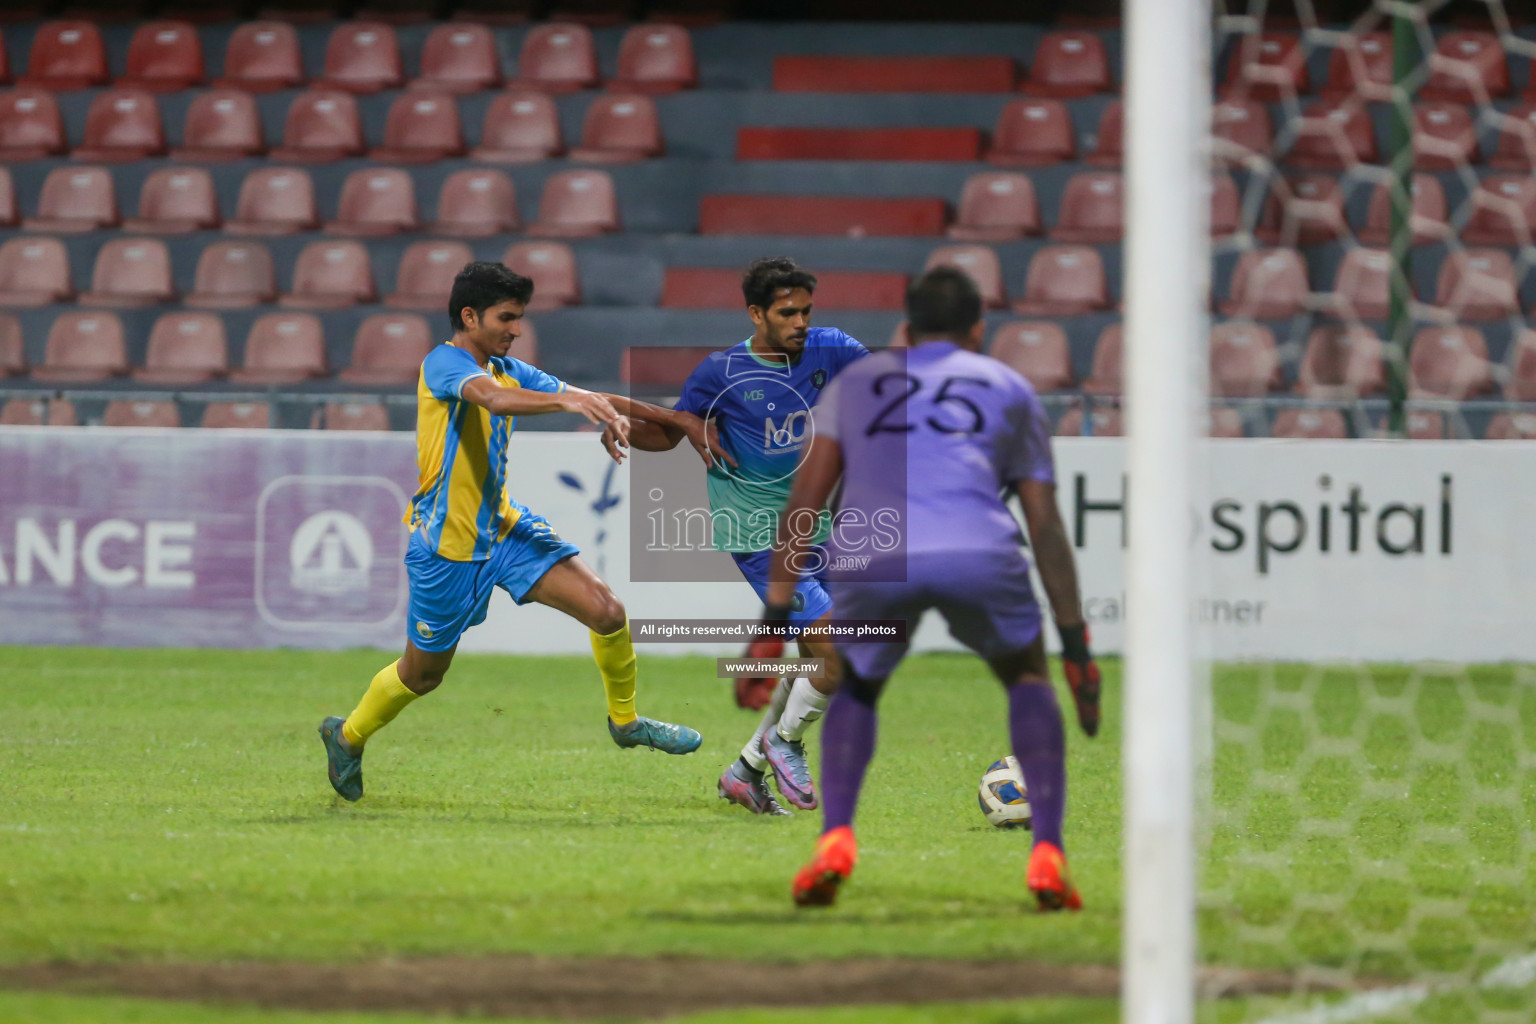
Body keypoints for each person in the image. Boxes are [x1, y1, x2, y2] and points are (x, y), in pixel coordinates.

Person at [751, 266, 1103, 911]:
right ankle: (1048, 853)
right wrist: (1076, 645)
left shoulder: (859, 383)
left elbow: (808, 498)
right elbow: (1045, 523)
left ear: (907, 329)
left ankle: (835, 841)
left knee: (857, 684)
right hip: (979, 548)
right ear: (978, 330)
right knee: (1028, 681)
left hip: (874, 550)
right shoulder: (1009, 387)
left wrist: (773, 621)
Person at [319, 262, 721, 802]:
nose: (515, 328)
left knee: (606, 610)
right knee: (422, 675)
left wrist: (681, 420)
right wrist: (572, 403)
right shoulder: (444, 364)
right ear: (470, 315)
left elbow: (599, 400)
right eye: (506, 317)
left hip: (506, 531)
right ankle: (346, 737)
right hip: (447, 550)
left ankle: (625, 725)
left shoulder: (509, 367)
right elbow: (493, 399)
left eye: (519, 318)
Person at [623, 257, 868, 817]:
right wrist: (624, 426)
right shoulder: (722, 372)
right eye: (787, 312)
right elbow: (671, 436)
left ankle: (745, 772)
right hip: (759, 533)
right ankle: (784, 743)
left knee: (814, 664)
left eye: (806, 310)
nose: (801, 321)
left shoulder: (834, 348)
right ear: (756, 313)